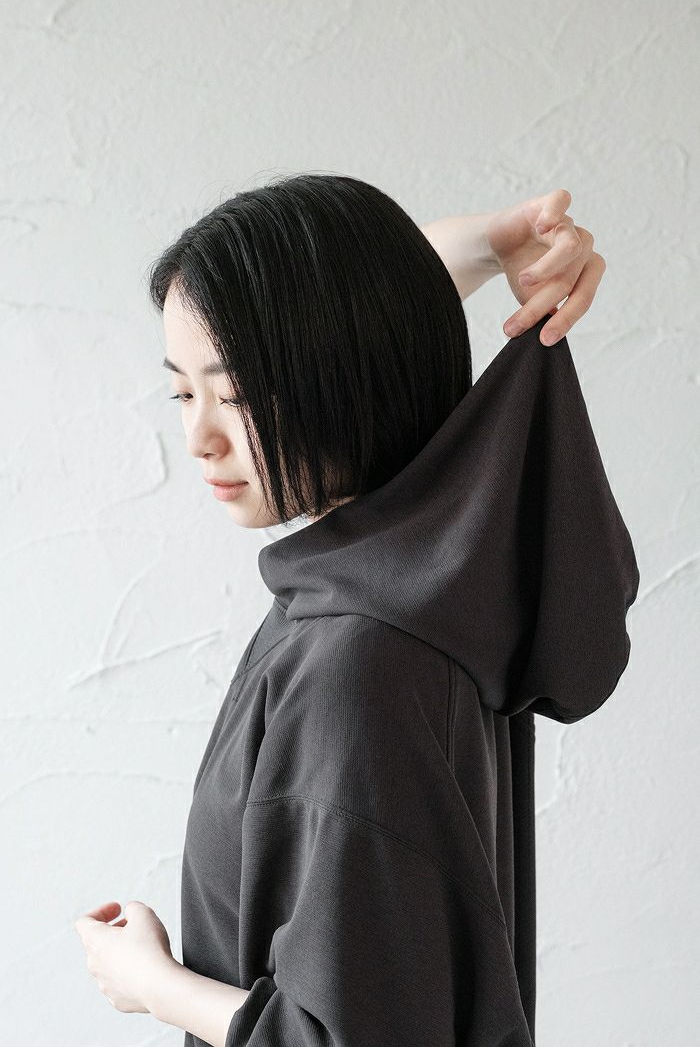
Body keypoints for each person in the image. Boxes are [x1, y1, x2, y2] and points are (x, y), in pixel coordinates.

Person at [74, 174, 637, 1047]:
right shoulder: (431, 594)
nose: (199, 438)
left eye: (235, 394)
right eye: (183, 393)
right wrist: (487, 247)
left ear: (346, 377)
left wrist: (154, 985)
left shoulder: (357, 663)